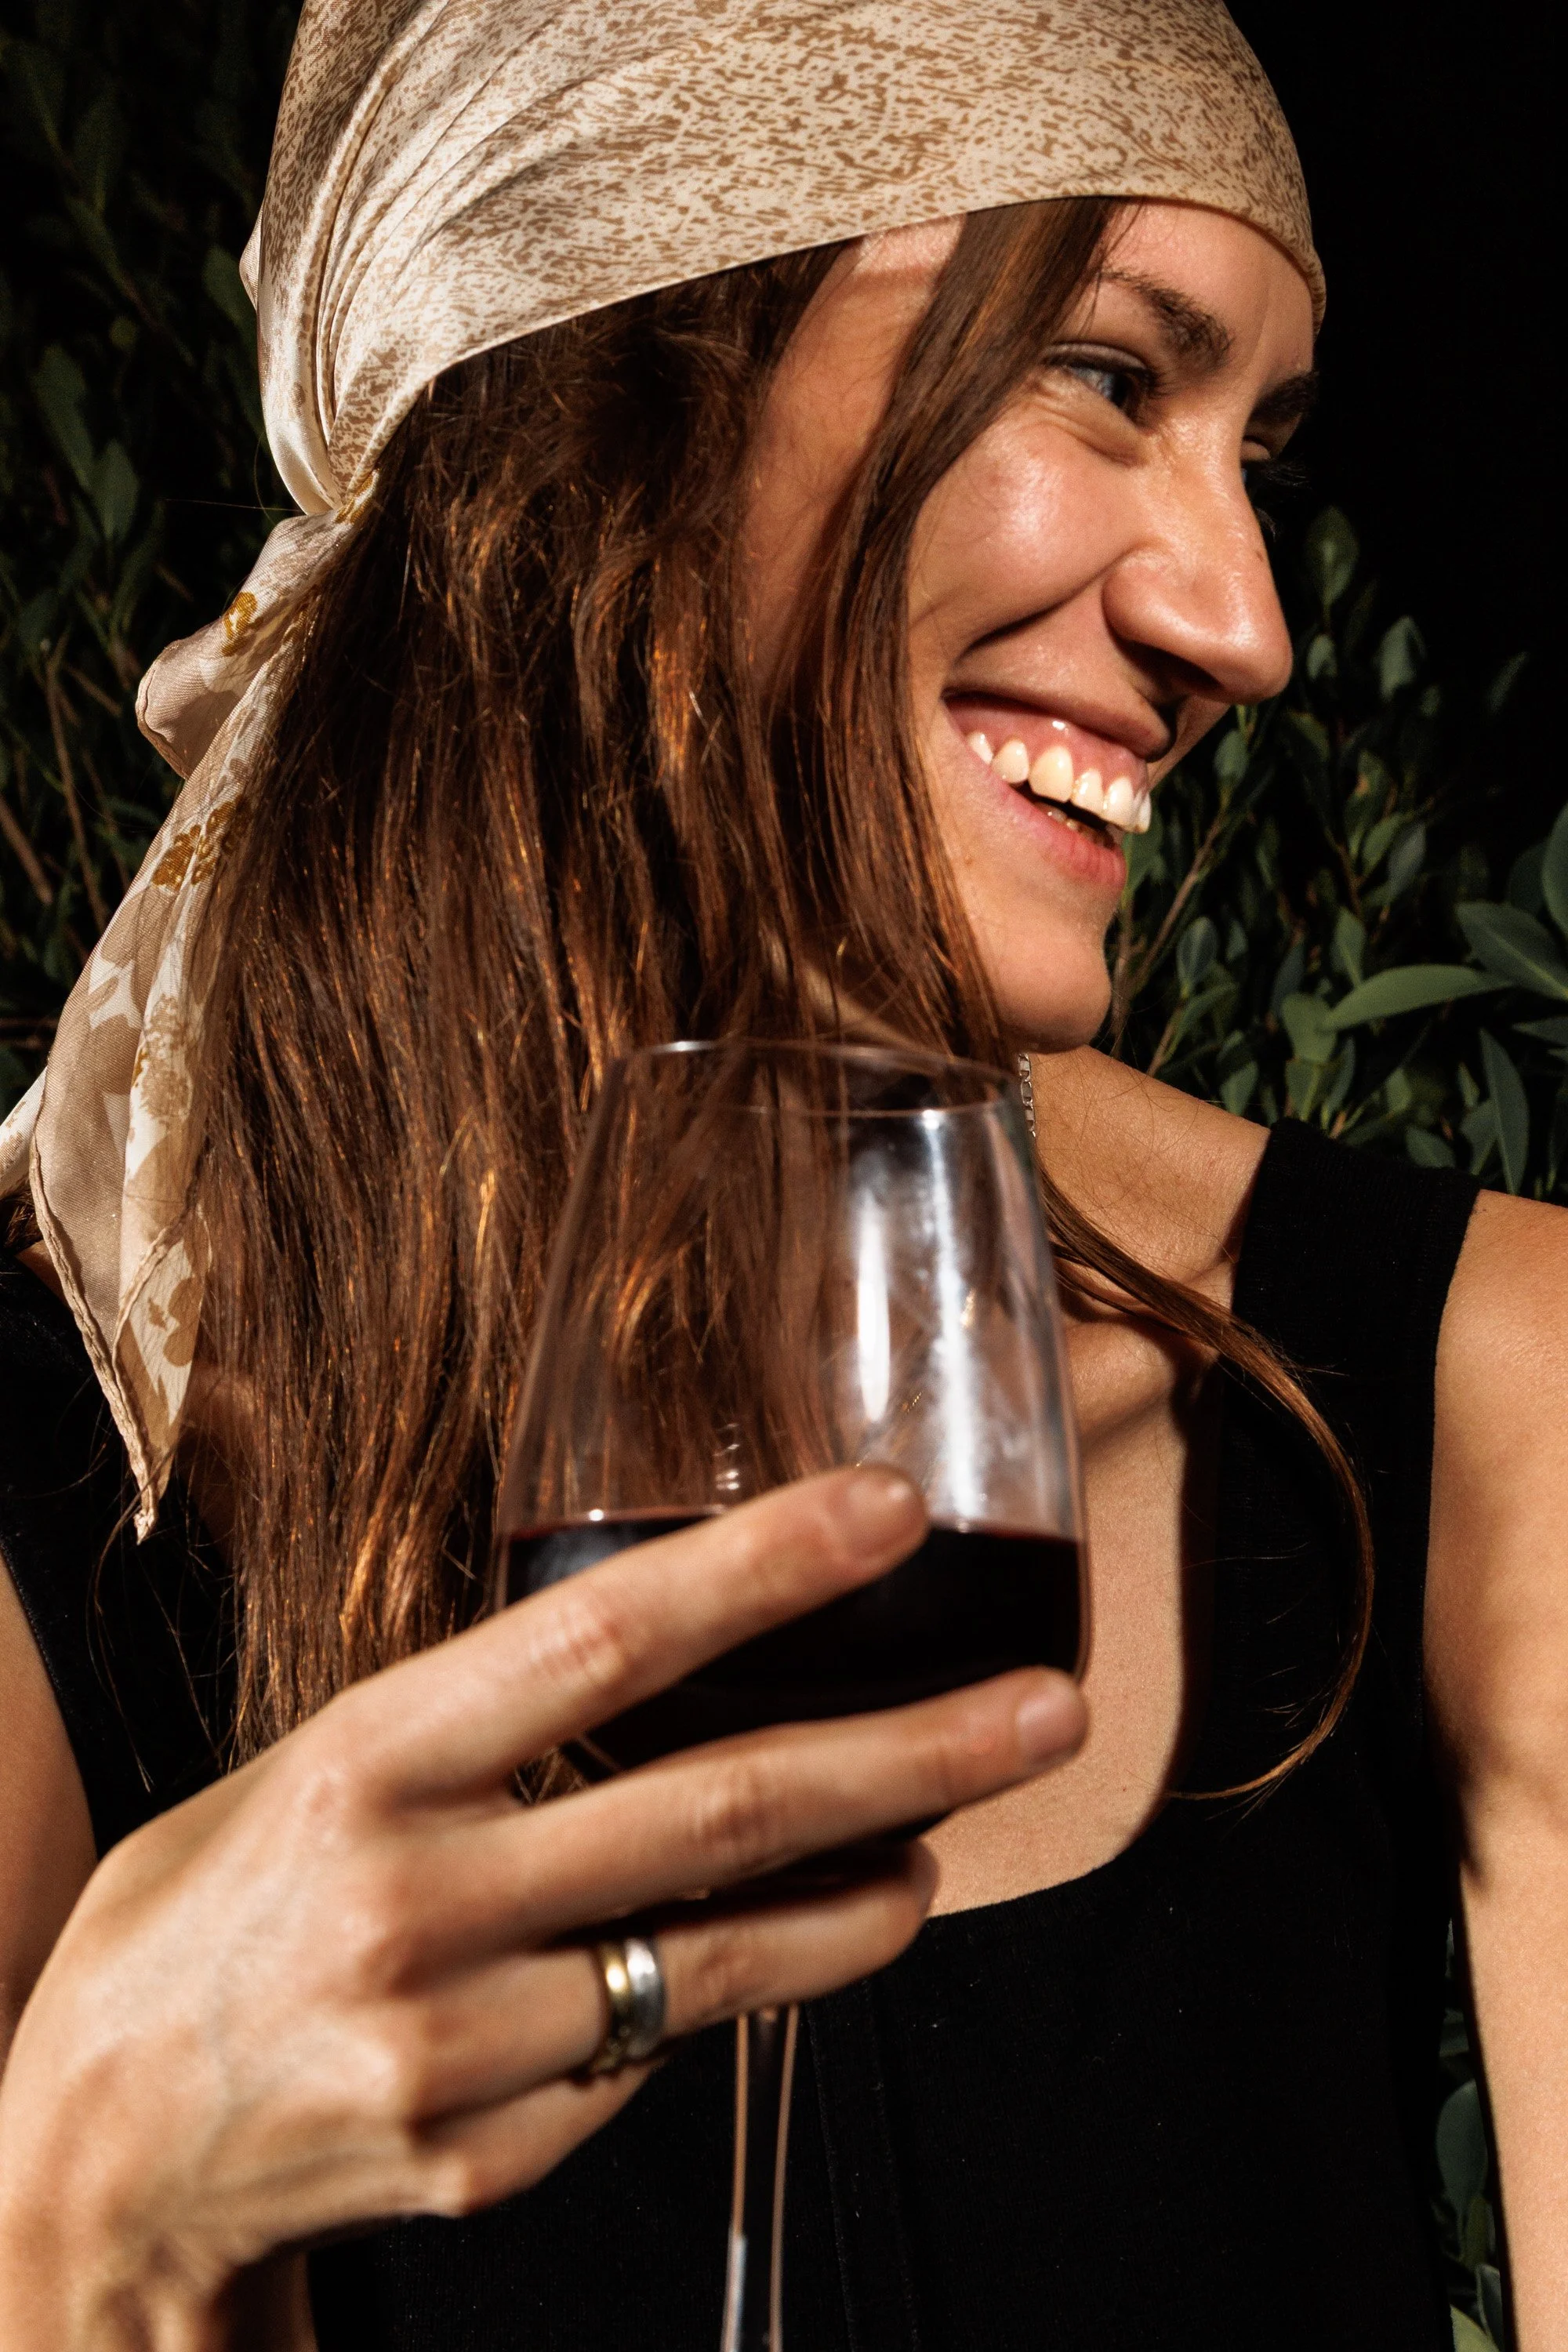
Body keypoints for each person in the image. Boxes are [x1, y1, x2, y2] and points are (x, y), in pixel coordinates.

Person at [0, 0, 1563, 2345]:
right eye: (1113, 376)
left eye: (1262, 444)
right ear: (635, 366)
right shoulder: (68, 1466)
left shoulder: (1493, 1402)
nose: (1244, 622)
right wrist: (89, 2232)